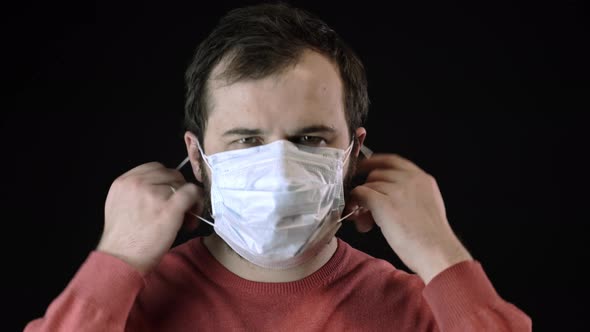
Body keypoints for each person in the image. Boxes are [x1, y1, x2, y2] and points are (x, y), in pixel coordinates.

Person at [25, 3, 531, 331]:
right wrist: (115, 261)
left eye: (310, 138)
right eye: (247, 141)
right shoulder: (125, 305)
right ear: (197, 158)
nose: (281, 170)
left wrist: (441, 255)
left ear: (355, 153)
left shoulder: (424, 309)